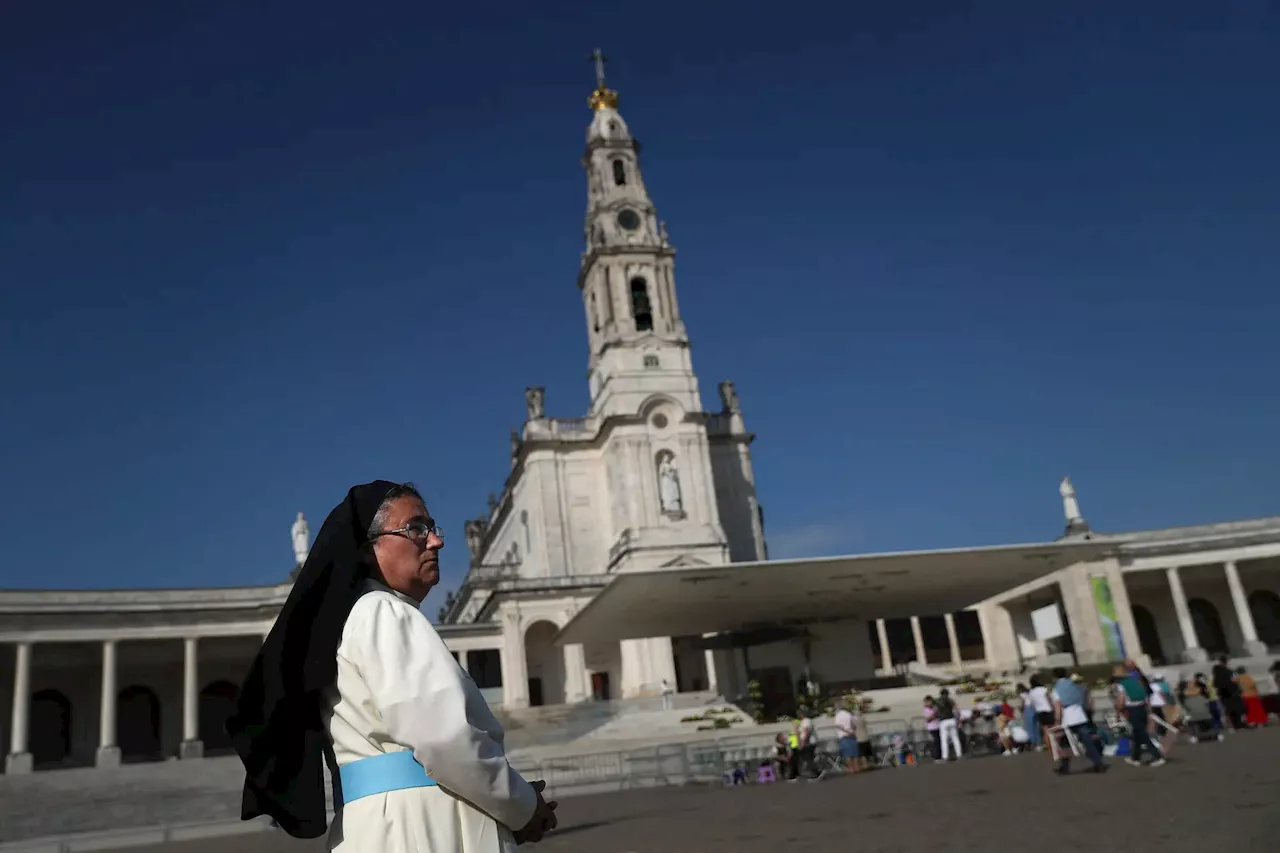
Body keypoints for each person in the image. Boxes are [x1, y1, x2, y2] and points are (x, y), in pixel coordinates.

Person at [227, 481, 557, 851]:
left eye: (432, 528)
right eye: (416, 529)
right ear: (369, 547)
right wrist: (524, 807)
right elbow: (447, 741)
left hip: (374, 824)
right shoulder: (383, 612)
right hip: (424, 824)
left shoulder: (347, 623)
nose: (436, 541)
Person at [1050, 667, 1106, 775]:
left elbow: (1058, 704)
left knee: (1065, 743)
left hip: (1067, 716)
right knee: (1087, 741)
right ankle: (1098, 763)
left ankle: (1064, 767)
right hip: (1079, 713)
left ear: (1055, 677)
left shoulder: (1057, 688)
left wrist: (1057, 719)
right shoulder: (1074, 685)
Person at [1112, 663, 1165, 767]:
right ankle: (1135, 757)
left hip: (1132, 709)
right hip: (1142, 707)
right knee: (1137, 733)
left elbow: (1121, 700)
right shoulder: (1136, 681)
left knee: (1142, 734)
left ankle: (1157, 756)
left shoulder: (1121, 685)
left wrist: (1118, 713)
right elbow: (1145, 695)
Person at [834, 698, 861, 773]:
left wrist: (846, 731)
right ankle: (857, 767)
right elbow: (854, 724)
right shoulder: (848, 714)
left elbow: (838, 726)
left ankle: (851, 768)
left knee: (847, 754)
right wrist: (852, 731)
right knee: (855, 753)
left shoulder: (838, 716)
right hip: (852, 735)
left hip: (843, 736)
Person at [935, 688, 962, 761]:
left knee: (944, 740)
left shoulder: (938, 701)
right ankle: (959, 755)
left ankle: (945, 756)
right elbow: (956, 709)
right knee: (955, 738)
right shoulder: (950, 700)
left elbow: (936, 711)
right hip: (951, 719)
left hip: (943, 721)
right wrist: (958, 720)